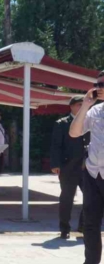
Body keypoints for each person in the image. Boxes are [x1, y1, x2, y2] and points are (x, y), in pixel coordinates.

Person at [69, 72, 104, 264]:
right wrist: (85, 105)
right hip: (93, 173)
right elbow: (74, 133)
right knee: (90, 223)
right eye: (97, 84)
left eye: (103, 84)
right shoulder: (96, 111)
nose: (99, 87)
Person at [50, 95, 88, 239]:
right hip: (68, 166)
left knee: (92, 197)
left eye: (83, 105)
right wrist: (55, 164)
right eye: (79, 104)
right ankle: (64, 228)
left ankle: (83, 225)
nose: (81, 107)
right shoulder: (62, 123)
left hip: (87, 167)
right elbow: (56, 145)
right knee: (67, 198)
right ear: (71, 106)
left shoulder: (90, 121)